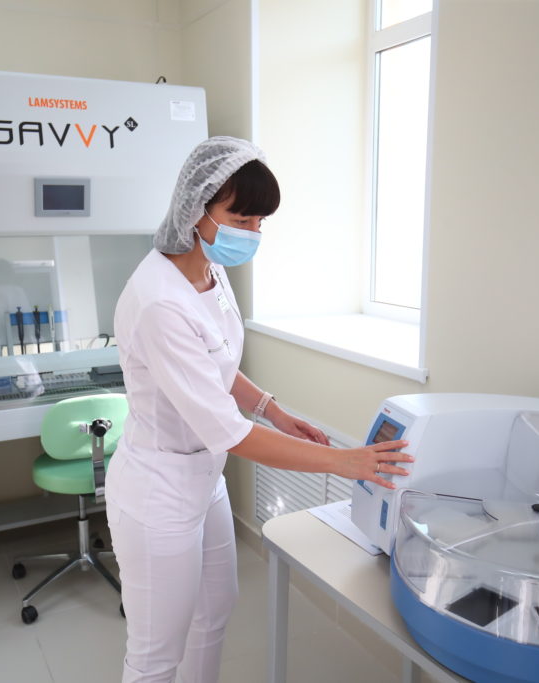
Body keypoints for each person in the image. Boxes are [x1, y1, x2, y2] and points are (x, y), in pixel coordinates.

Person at [105, 136, 412, 683]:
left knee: (214, 613)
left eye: (260, 222)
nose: (251, 232)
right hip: (159, 489)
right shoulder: (157, 300)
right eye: (240, 218)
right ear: (195, 209)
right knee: (156, 653)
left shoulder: (209, 269)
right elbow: (231, 433)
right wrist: (347, 463)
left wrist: (272, 409)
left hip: (204, 477)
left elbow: (217, 362)